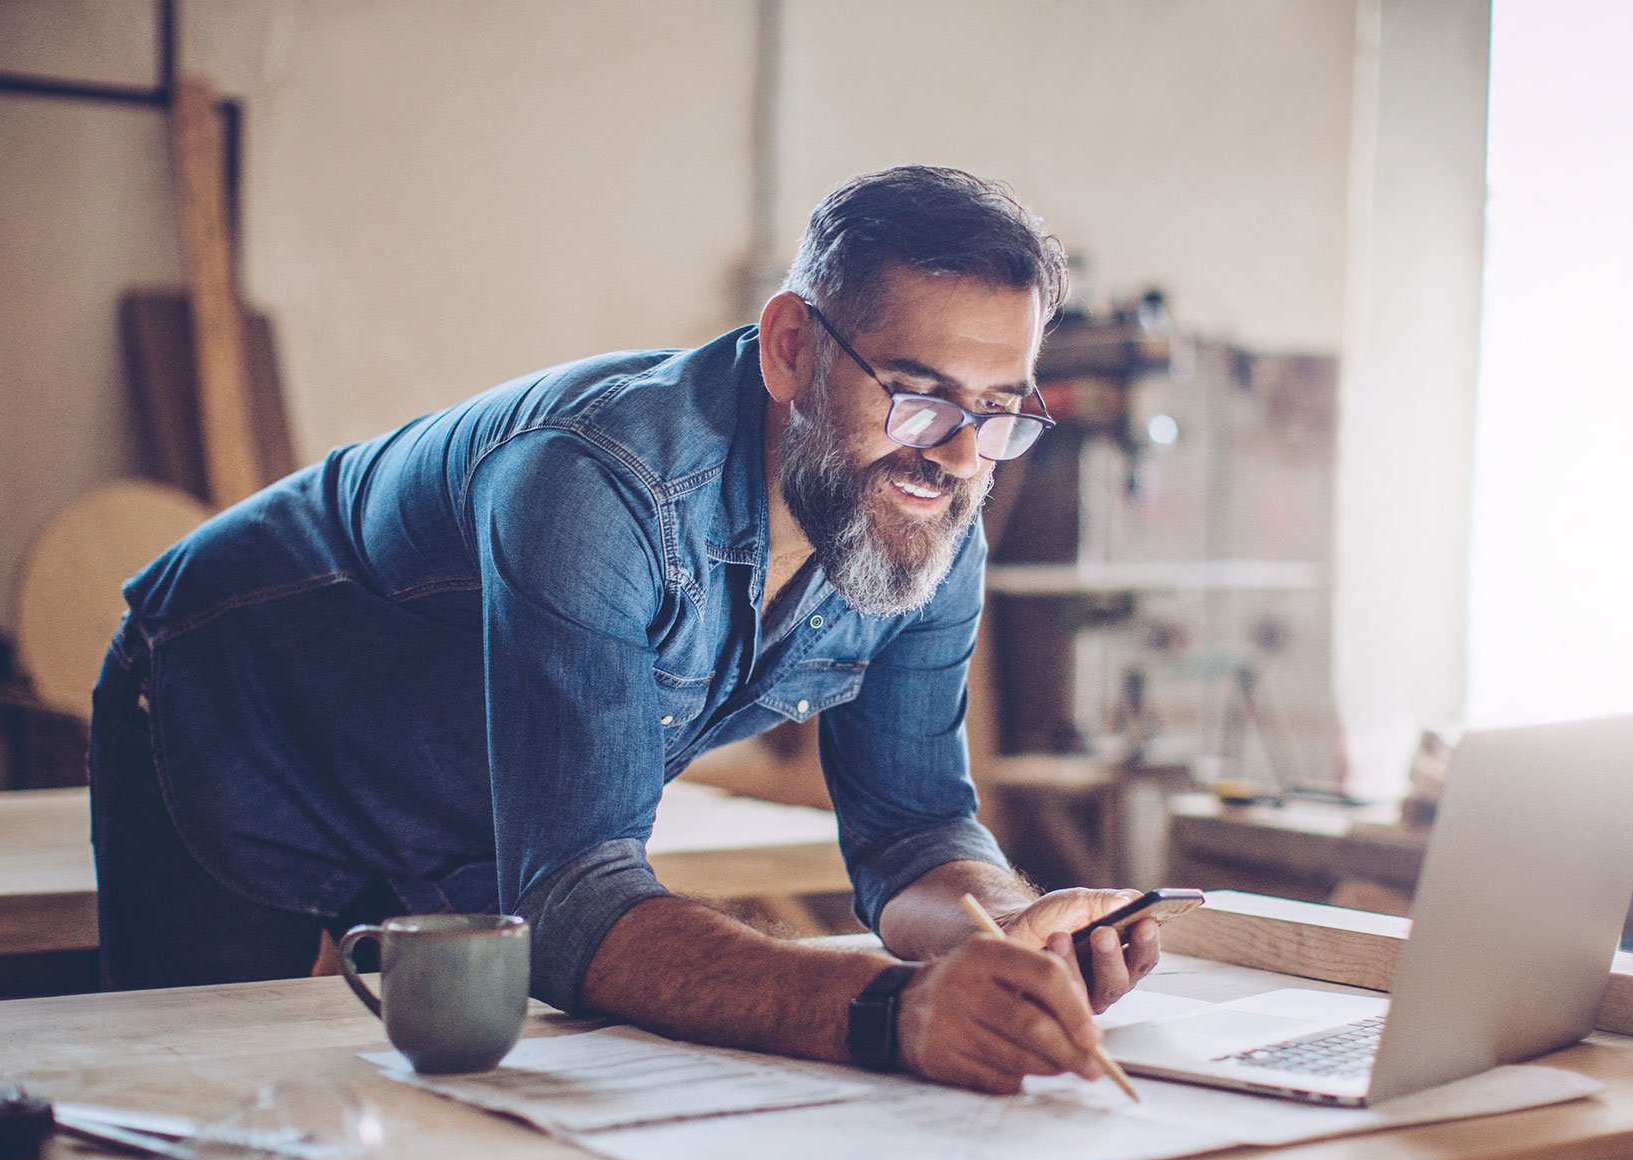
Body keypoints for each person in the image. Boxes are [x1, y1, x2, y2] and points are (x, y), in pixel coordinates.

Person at [90, 164, 1161, 1094]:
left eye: (998, 413)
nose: (958, 456)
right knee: (215, 1120)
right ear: (790, 345)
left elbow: (915, 833)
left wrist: (1007, 929)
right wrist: (887, 1010)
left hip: (473, 811)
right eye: (919, 395)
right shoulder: (594, 486)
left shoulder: (929, 523)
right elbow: (573, 902)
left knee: (451, 1149)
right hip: (240, 722)